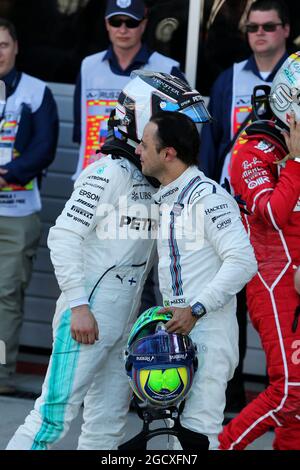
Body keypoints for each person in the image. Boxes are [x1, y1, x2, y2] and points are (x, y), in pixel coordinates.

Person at [6, 70, 208, 450]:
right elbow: (62, 236)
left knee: (108, 425)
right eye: (174, 121)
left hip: (126, 323)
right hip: (86, 318)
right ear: (144, 118)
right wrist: (79, 307)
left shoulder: (160, 183)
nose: (185, 133)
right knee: (52, 417)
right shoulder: (106, 172)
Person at [135, 109, 258, 449]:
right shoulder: (171, 195)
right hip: (178, 330)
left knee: (198, 434)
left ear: (168, 153)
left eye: (145, 145)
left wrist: (197, 308)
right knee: (179, 438)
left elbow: (244, 261)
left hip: (208, 331)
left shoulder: (208, 197)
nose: (138, 151)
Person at [199, 0, 290, 410]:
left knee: (284, 308)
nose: (260, 34)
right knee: (229, 305)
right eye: (253, 27)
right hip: (234, 212)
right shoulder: (228, 78)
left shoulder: (298, 74)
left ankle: (287, 390)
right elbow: (213, 146)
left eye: (269, 26)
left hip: (286, 213)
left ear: (286, 30)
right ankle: (231, 393)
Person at [219, 51, 300, 450]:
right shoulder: (253, 148)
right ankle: (221, 446)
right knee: (290, 390)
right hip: (272, 280)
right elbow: (271, 211)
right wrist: (297, 160)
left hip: (297, 276)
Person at [0, 18, 58, 395]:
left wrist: (8, 174)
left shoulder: (37, 92)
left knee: (5, 296)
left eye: (2, 44)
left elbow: (44, 147)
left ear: (16, 47)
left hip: (17, 212)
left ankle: (0, 373)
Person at [73, 0, 185, 178]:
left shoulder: (167, 70)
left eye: (131, 22)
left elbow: (181, 137)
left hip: (145, 181)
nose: (123, 30)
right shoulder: (88, 67)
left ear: (144, 24)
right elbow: (80, 132)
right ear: (106, 24)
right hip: (92, 177)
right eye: (116, 22)